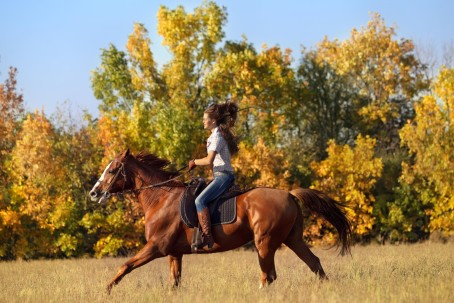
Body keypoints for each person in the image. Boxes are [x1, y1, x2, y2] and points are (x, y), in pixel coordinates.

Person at [188, 102, 239, 251]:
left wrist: (194, 162)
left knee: (200, 201)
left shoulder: (217, 137)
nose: (203, 121)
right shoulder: (213, 136)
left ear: (213, 121)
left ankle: (208, 236)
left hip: (224, 176)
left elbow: (209, 160)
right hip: (219, 176)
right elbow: (213, 165)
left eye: (205, 119)